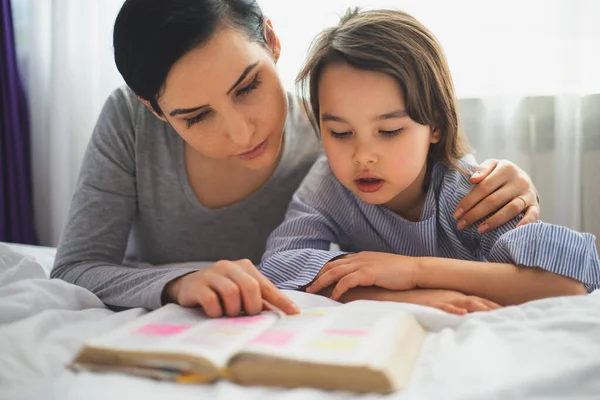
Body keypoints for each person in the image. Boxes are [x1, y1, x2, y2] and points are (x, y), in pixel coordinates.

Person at [51, 0, 541, 317]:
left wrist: (509, 182)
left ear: (273, 39)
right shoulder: (128, 122)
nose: (242, 132)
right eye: (196, 116)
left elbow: (437, 166)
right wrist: (180, 282)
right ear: (154, 109)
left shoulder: (340, 132)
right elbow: (76, 268)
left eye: (248, 87)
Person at [258, 8, 599, 315]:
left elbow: (567, 284)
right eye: (341, 133)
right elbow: (278, 266)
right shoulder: (328, 183)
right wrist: (400, 296)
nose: (363, 156)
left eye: (389, 131)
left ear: (434, 124)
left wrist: (412, 271)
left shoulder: (467, 191)